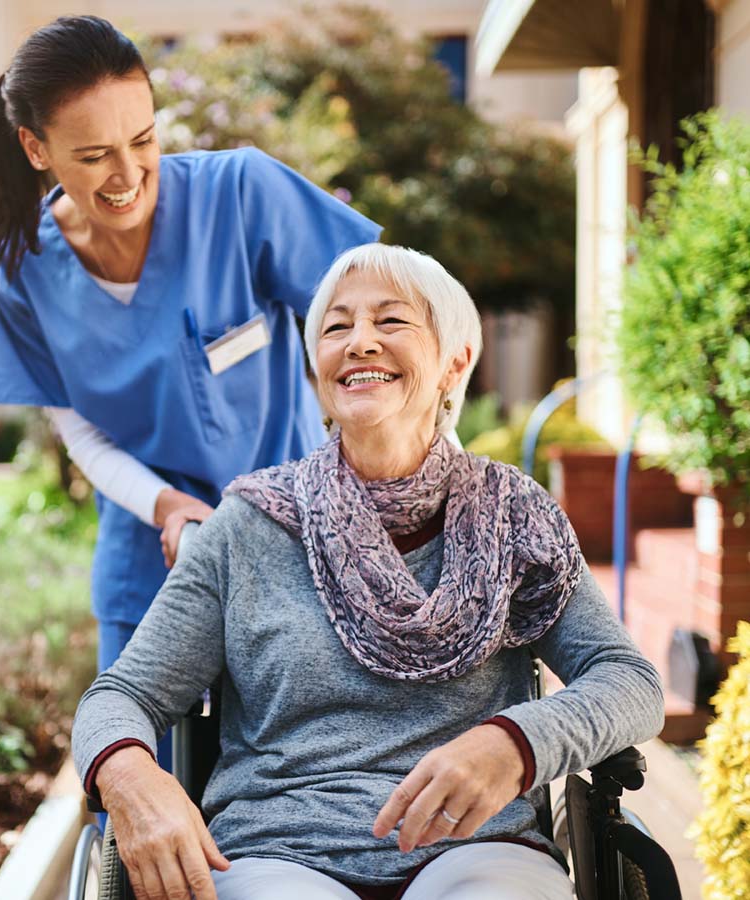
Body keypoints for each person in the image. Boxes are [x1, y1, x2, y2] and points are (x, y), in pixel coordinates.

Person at [71, 243, 665, 900]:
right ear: (318, 370)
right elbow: (121, 696)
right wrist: (130, 775)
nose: (360, 343)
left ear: (454, 361)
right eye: (336, 327)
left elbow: (629, 681)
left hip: (477, 849)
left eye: (390, 322)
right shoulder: (249, 527)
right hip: (279, 853)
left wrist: (516, 744)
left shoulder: (513, 515)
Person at [0, 13, 382, 746]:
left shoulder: (240, 194)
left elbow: (377, 327)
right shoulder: (21, 272)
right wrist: (167, 506)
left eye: (142, 140)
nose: (127, 174)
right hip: (148, 555)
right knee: (136, 768)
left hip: (298, 543)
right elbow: (79, 429)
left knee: (300, 773)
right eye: (93, 155)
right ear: (36, 149)